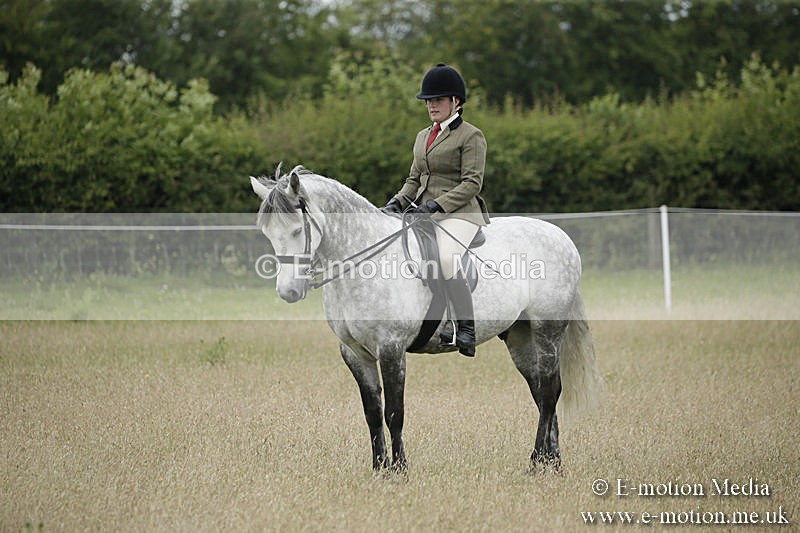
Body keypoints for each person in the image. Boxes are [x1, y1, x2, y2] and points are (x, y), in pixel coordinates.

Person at [381, 63, 490, 357]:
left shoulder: (471, 136)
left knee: (445, 258)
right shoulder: (422, 136)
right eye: (428, 100)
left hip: (461, 213)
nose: (431, 105)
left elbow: (472, 184)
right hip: (426, 211)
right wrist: (397, 202)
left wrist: (435, 205)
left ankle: (466, 327)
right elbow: (414, 179)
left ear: (456, 101)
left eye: (438, 100)